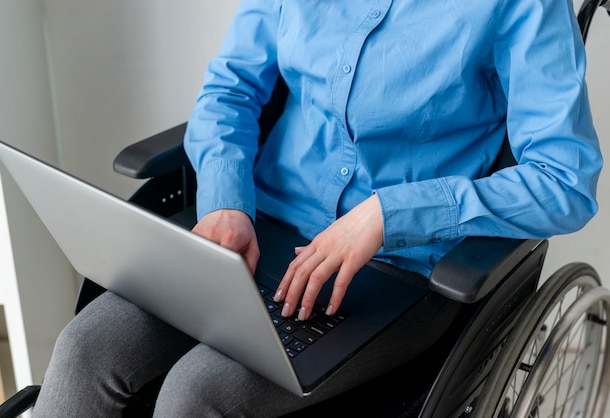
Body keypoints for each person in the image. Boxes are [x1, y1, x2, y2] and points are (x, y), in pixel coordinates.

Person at [32, 0, 602, 416]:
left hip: (393, 272)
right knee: (83, 350)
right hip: (257, 228)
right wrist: (228, 202)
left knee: (197, 393)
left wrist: (389, 215)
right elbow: (231, 88)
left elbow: (565, 183)